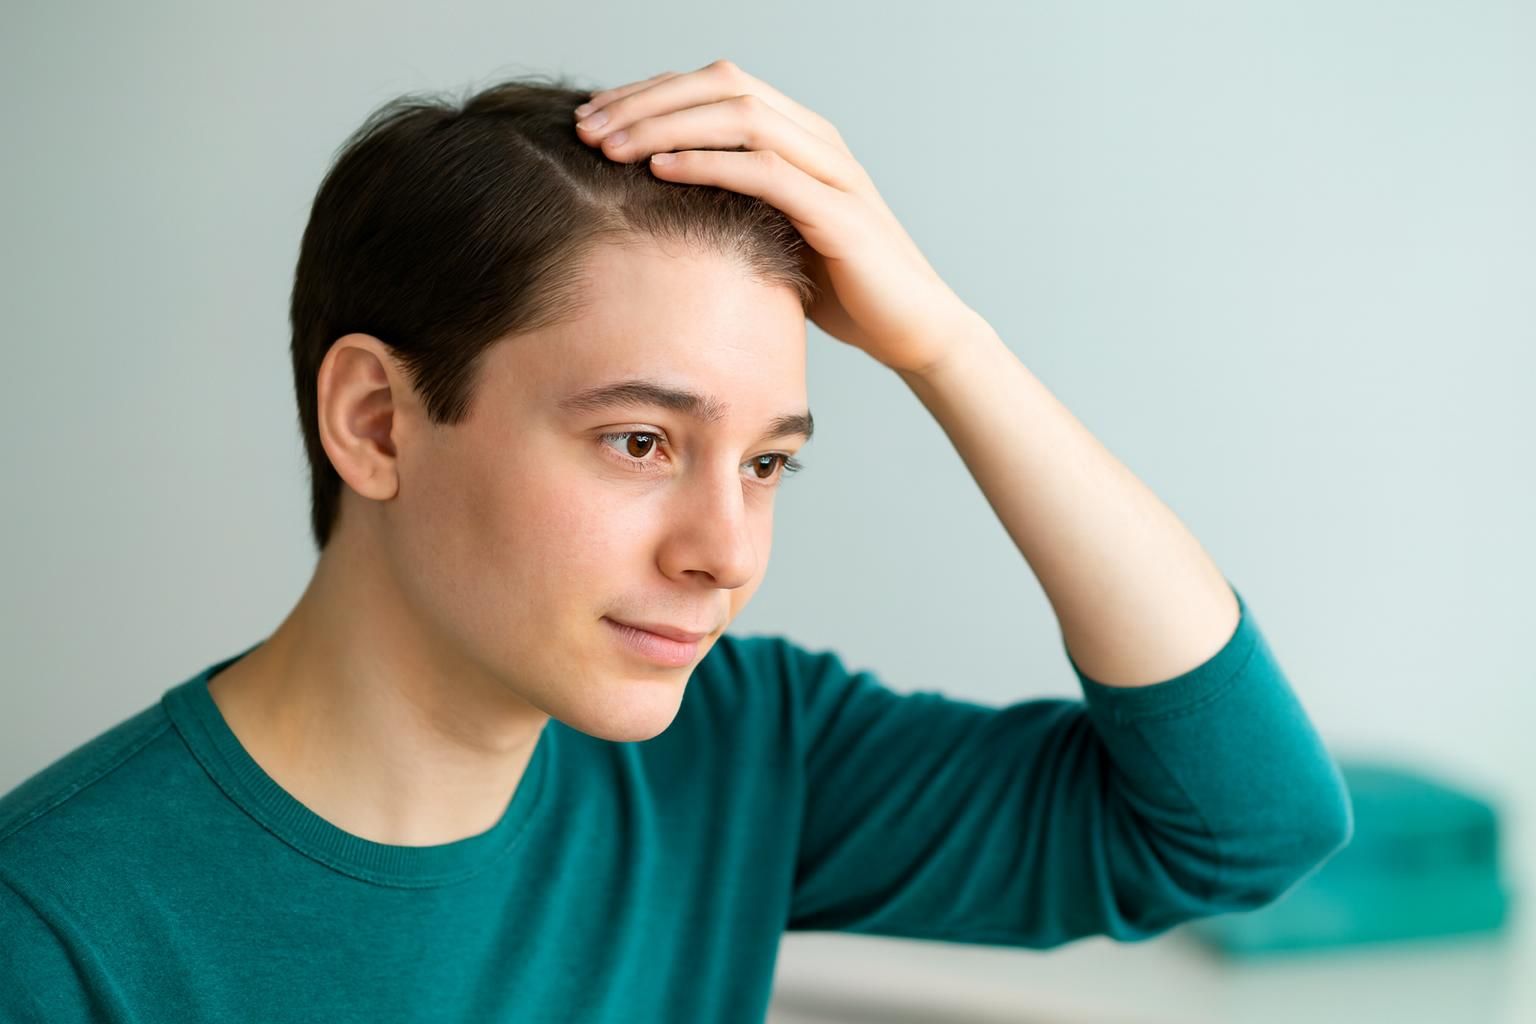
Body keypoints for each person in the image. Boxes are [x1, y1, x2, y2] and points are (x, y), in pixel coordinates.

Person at [0, 60, 1353, 1022]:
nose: (728, 552)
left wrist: (947, 344)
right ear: (377, 422)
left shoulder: (741, 754)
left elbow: (1244, 825)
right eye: (641, 442)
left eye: (769, 462)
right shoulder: (53, 930)